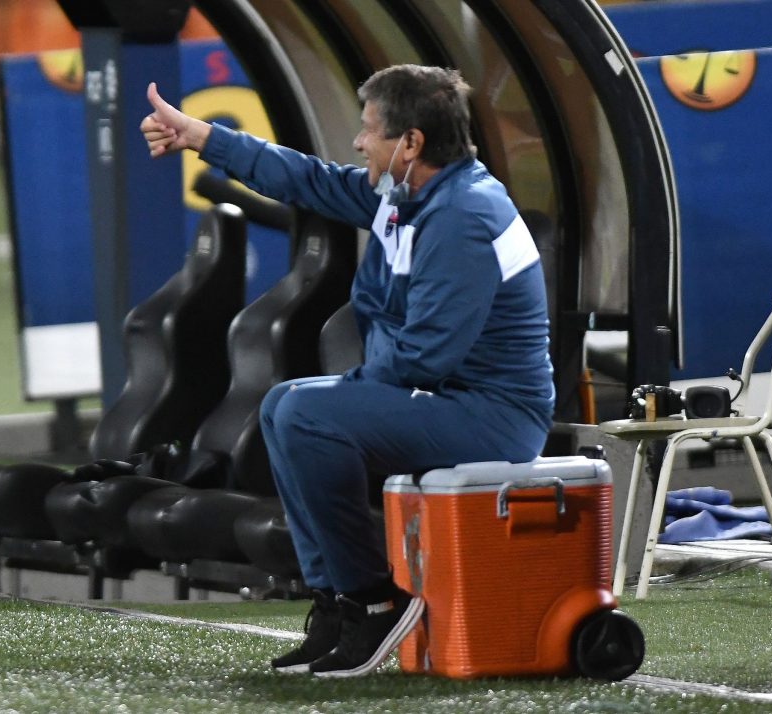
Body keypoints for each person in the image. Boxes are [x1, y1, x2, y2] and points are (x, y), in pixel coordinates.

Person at [140, 64, 554, 677]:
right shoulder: (410, 192)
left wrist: (347, 392)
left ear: (411, 143)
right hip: (444, 397)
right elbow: (307, 179)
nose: (359, 143)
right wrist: (203, 137)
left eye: (369, 131)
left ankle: (375, 599)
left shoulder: (463, 217)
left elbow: (425, 358)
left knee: (304, 412)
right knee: (285, 406)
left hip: (492, 415)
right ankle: (336, 601)